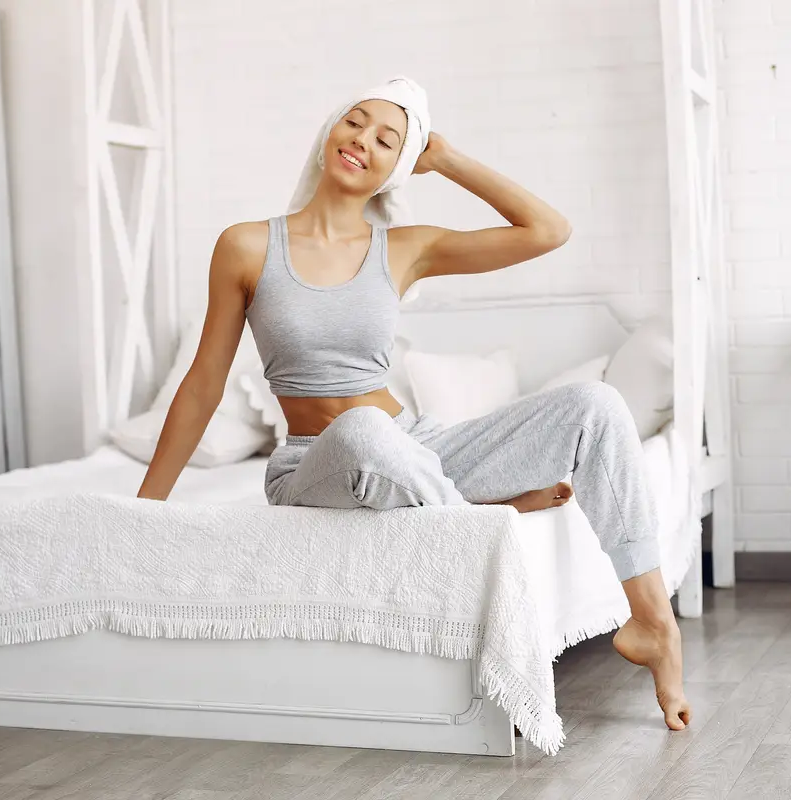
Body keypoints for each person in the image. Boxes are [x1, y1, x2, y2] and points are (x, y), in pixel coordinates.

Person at [136, 78, 690, 731]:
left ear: (398, 166)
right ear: (328, 134)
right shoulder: (247, 245)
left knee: (596, 405)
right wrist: (144, 512)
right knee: (364, 428)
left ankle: (653, 622)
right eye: (354, 122)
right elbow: (203, 382)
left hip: (418, 445)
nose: (361, 140)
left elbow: (549, 230)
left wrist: (447, 158)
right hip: (317, 460)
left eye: (386, 139)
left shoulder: (405, 248)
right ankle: (484, 512)